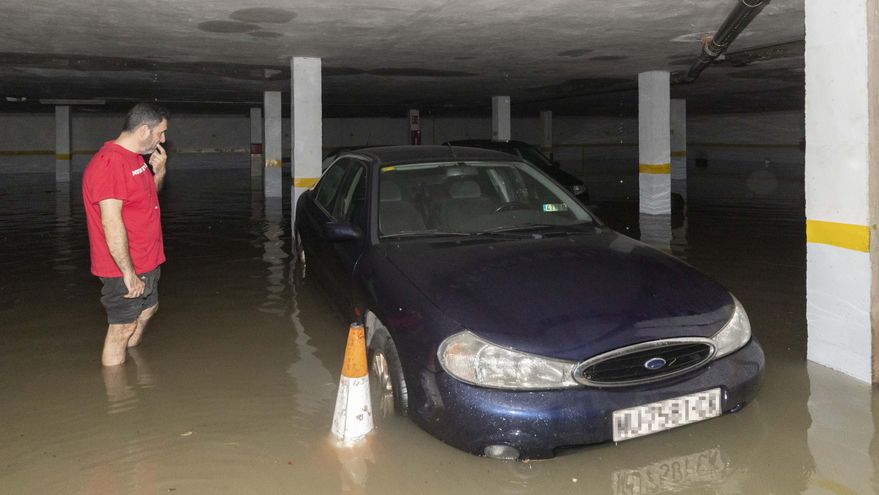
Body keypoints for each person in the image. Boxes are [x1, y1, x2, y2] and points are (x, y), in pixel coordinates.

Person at [82, 102, 169, 366]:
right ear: (144, 130)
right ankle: (118, 400)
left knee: (148, 309)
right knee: (121, 327)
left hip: (147, 258)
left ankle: (133, 359)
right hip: (124, 266)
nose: (163, 139)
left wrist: (160, 171)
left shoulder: (135, 160)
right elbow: (111, 222)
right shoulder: (109, 164)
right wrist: (127, 272)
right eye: (160, 132)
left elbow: (148, 198)